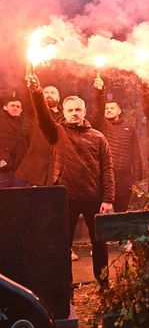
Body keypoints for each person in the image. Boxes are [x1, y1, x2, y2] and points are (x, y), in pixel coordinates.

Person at [27, 73, 114, 287]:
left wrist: (108, 199)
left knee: (100, 243)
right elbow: (42, 115)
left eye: (78, 110)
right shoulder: (56, 132)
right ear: (63, 113)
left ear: (84, 112)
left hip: (93, 197)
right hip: (65, 197)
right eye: (70, 110)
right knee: (62, 244)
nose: (74, 113)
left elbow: (108, 169)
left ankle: (103, 283)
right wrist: (37, 92)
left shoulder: (98, 137)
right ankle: (65, 287)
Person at [92, 75, 143, 212]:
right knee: (102, 213)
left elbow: (135, 151)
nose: (108, 110)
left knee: (121, 213)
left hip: (124, 177)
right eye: (106, 108)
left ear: (119, 111)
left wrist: (137, 175)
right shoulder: (100, 125)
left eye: (112, 108)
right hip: (103, 177)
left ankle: (121, 234)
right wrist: (99, 92)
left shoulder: (129, 127)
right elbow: (97, 110)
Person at [15, 84, 63, 186]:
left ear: (59, 98)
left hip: (58, 170)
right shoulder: (34, 112)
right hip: (36, 169)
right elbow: (27, 97)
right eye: (46, 92)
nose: (49, 94)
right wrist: (29, 82)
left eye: (52, 92)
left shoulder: (66, 116)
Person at [0, 94, 28, 188]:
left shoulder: (25, 124)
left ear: (21, 110)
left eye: (18, 106)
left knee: (20, 198)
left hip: (20, 170)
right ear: (5, 107)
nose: (15, 108)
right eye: (12, 105)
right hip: (2, 169)